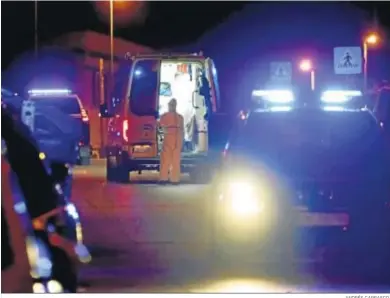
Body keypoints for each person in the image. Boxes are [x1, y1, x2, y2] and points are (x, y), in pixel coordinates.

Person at [158, 98, 184, 185]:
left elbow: (159, 127)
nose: (172, 107)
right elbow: (160, 128)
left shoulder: (166, 117)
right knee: (169, 160)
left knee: (172, 160)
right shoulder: (178, 117)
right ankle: (169, 179)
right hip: (172, 139)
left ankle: (168, 179)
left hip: (174, 139)